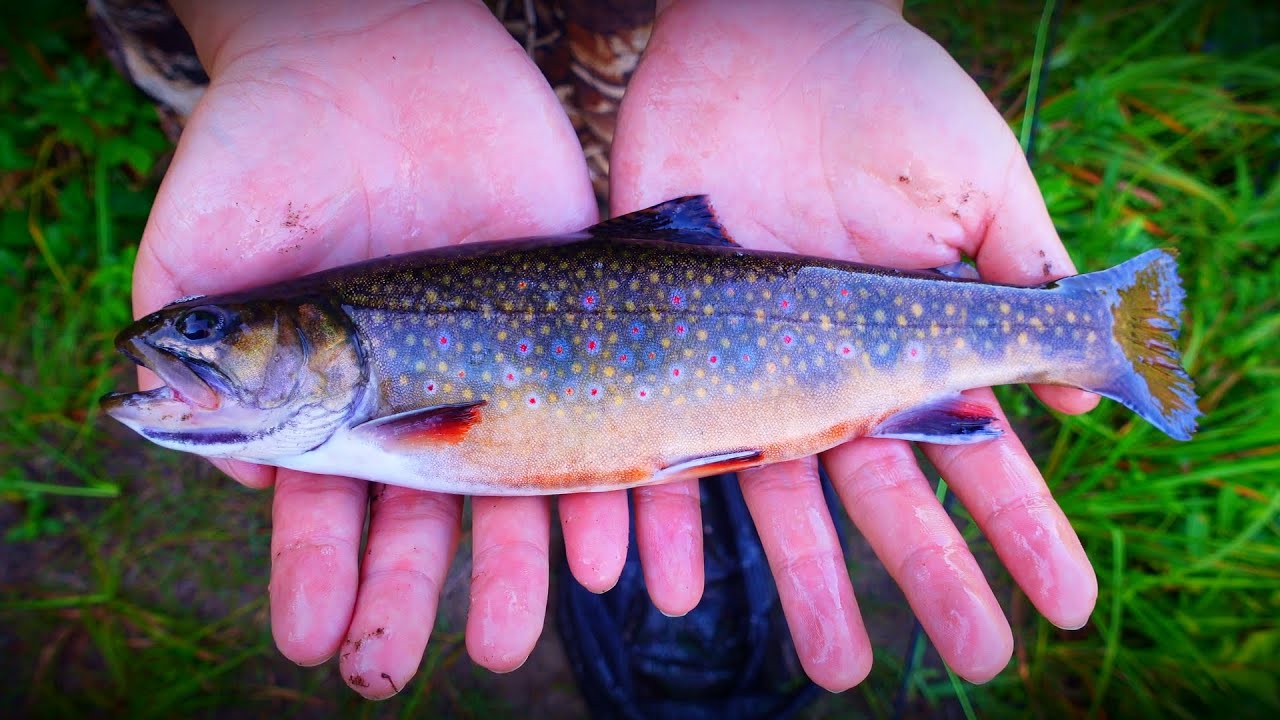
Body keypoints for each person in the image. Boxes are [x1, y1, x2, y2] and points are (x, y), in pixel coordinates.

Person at [109, 0, 1099, 701]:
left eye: (204, 333)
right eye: (201, 335)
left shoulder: (386, 407)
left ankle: (1091, 333)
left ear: (316, 339)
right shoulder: (371, 379)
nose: (177, 350)